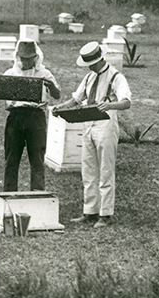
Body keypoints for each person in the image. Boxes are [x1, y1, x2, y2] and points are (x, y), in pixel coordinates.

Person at [53, 41, 131, 229]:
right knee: (88, 169)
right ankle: (90, 212)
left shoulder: (116, 77)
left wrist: (110, 105)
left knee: (105, 169)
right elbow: (76, 99)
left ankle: (105, 214)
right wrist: (60, 108)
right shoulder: (89, 77)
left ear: (99, 60)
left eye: (91, 63)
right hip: (88, 123)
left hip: (106, 124)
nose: (89, 66)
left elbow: (126, 102)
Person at [2, 39, 60, 192]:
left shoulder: (45, 73)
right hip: (15, 117)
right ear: (17, 57)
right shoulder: (10, 73)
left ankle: (38, 194)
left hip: (36, 117)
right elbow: (1, 95)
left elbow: (57, 95)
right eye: (23, 58)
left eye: (29, 58)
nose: (26, 62)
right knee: (11, 159)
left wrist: (52, 86)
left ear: (36, 57)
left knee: (37, 159)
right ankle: (8, 194)